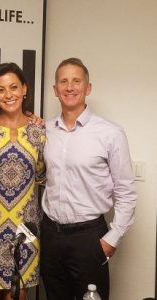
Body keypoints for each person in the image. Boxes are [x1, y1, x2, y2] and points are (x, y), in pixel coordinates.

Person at [40, 57, 137, 300]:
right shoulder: (44, 130)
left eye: (76, 81)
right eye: (63, 81)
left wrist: (111, 240)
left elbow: (126, 192)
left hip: (89, 238)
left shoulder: (111, 133)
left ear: (88, 88)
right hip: (51, 235)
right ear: (55, 90)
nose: (70, 87)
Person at [0, 62, 46, 300]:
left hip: (26, 225)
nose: (8, 95)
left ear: (24, 89)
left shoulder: (39, 132)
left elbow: (43, 176)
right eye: (1, 90)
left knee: (19, 292)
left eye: (13, 87)